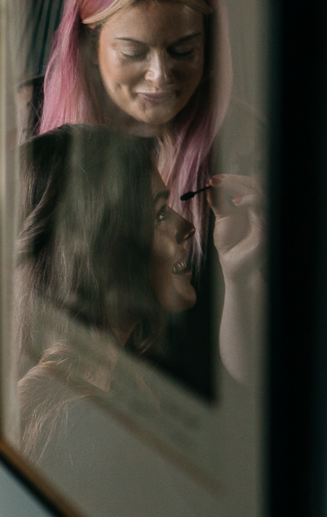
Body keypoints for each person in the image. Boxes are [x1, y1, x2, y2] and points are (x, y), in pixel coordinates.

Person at [35, 0, 263, 387]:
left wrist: (241, 285)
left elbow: (254, 376)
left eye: (183, 50)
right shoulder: (31, 131)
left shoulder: (245, 147)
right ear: (87, 41)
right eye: (133, 52)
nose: (160, 78)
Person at [14, 124, 196, 464]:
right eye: (159, 214)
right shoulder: (88, 431)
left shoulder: (108, 398)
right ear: (102, 245)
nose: (187, 227)